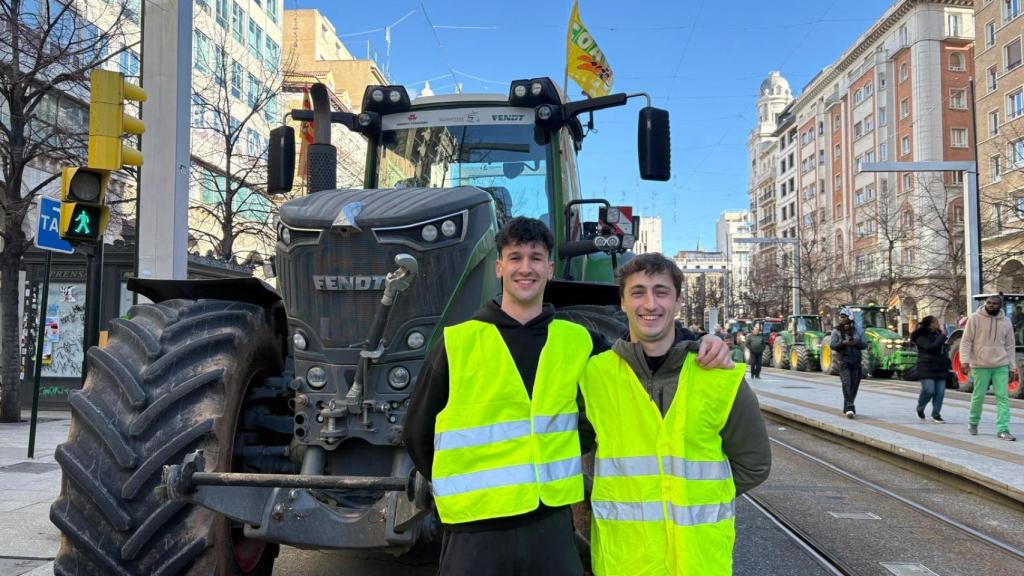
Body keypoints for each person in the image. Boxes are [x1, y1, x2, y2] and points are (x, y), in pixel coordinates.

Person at [402, 218, 734, 575]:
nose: (525, 268)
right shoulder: (457, 343)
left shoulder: (580, 341)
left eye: (535, 257)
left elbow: (645, 354)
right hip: (474, 533)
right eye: (515, 258)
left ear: (550, 266)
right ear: (499, 266)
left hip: (550, 528)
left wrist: (698, 344)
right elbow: (418, 435)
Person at [579, 253, 771, 576]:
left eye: (661, 291)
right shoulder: (594, 376)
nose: (650, 303)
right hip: (624, 564)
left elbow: (755, 464)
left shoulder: (718, 377)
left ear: (678, 302)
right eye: (638, 292)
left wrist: (694, 492)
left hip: (698, 564)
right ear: (622, 302)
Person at [960, 295, 1017, 441]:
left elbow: (1010, 345)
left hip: (1001, 365)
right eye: (989, 303)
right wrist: (964, 361)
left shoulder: (1006, 322)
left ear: (1000, 305)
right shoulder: (975, 318)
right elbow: (966, 340)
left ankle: (1003, 429)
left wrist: (1012, 367)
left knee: (1002, 397)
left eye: (994, 304)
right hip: (980, 364)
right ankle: (973, 422)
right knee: (978, 396)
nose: (991, 305)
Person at [911, 315, 949, 423]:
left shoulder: (938, 334)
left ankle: (936, 414)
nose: (938, 324)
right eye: (936, 322)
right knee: (928, 390)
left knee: (940, 392)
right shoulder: (920, 336)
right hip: (926, 367)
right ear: (930, 324)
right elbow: (930, 347)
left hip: (940, 367)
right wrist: (942, 337)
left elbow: (942, 350)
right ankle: (920, 408)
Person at [830, 308, 867, 418]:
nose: (841, 319)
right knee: (847, 383)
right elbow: (832, 345)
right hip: (843, 361)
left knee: (854, 386)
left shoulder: (858, 330)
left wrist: (856, 342)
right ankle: (850, 407)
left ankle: (847, 406)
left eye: (844, 317)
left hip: (856, 361)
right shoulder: (836, 330)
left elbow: (864, 344)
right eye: (840, 317)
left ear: (850, 318)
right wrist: (843, 343)